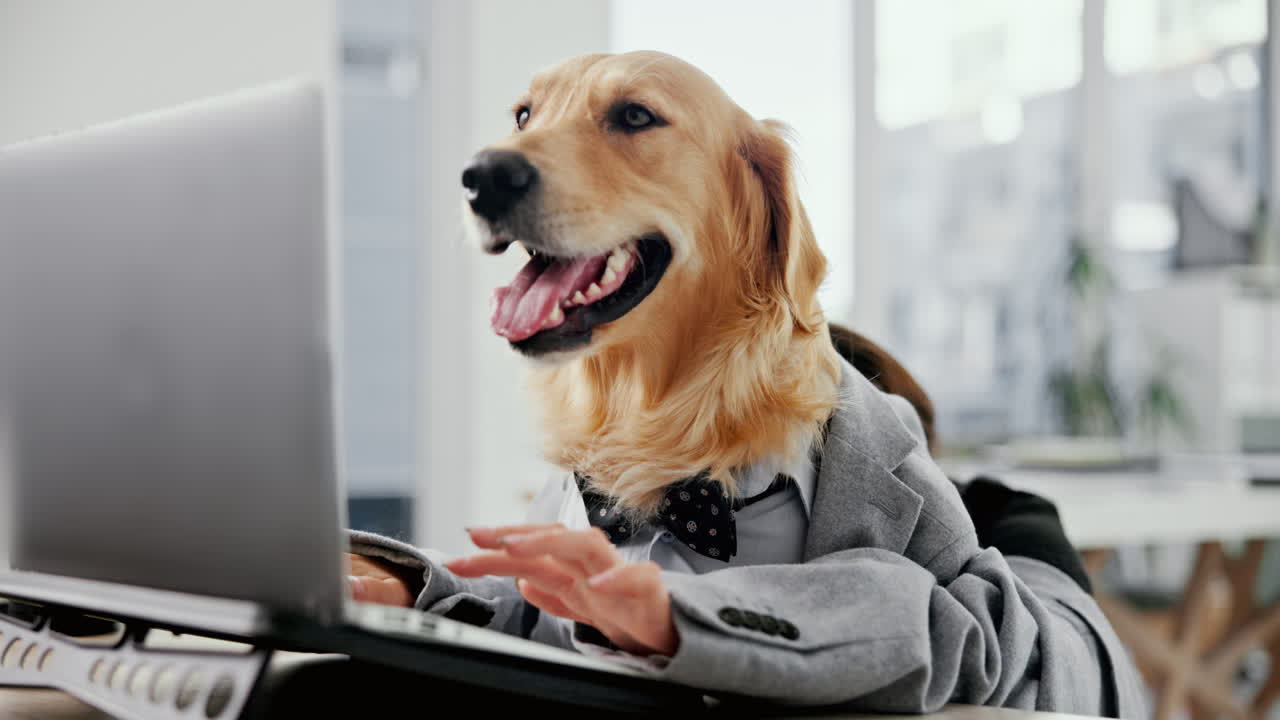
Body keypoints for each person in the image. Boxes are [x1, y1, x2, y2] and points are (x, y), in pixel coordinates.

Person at [345, 324, 1144, 716]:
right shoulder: (624, 501)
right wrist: (417, 590)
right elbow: (535, 611)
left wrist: (677, 613)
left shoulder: (1002, 517)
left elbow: (1024, 644)